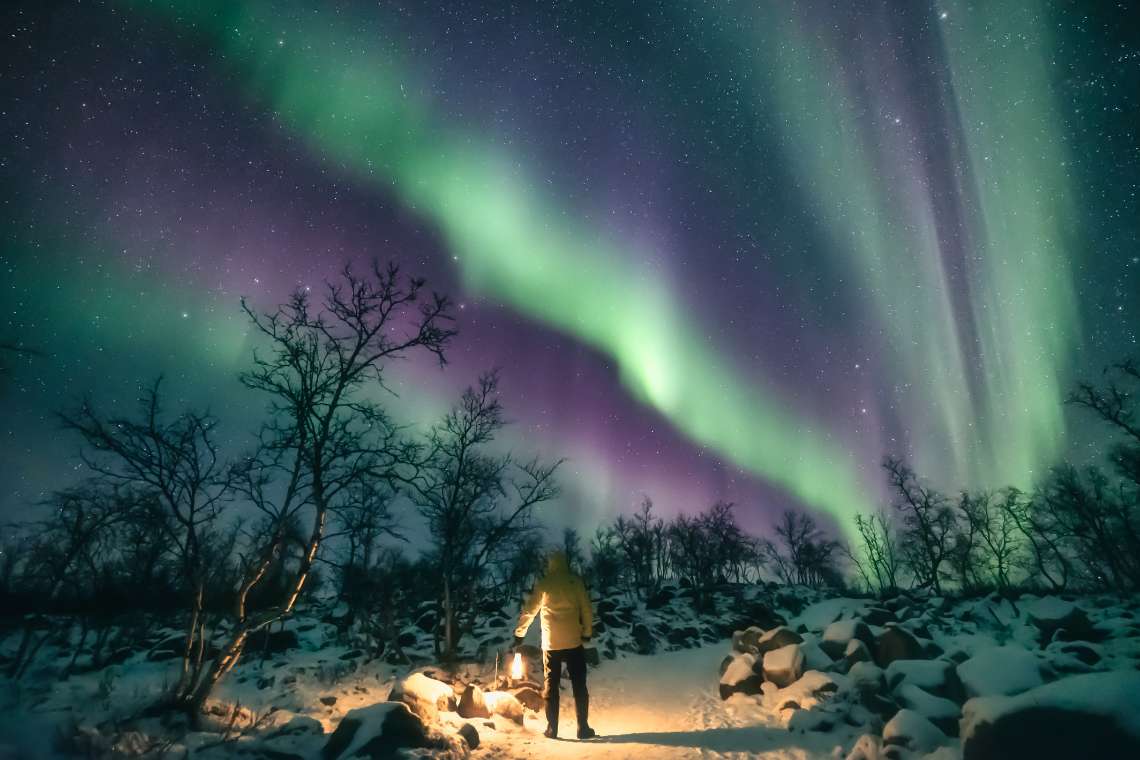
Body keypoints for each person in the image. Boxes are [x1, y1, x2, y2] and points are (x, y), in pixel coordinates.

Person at [513, 550, 596, 740]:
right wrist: (587, 633)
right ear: (565, 563)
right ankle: (583, 728)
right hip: (574, 641)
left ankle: (552, 729)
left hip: (551, 644)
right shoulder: (575, 582)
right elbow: (586, 609)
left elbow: (529, 611)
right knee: (579, 683)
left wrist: (520, 633)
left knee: (551, 683)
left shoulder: (544, 584)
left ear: (550, 564)